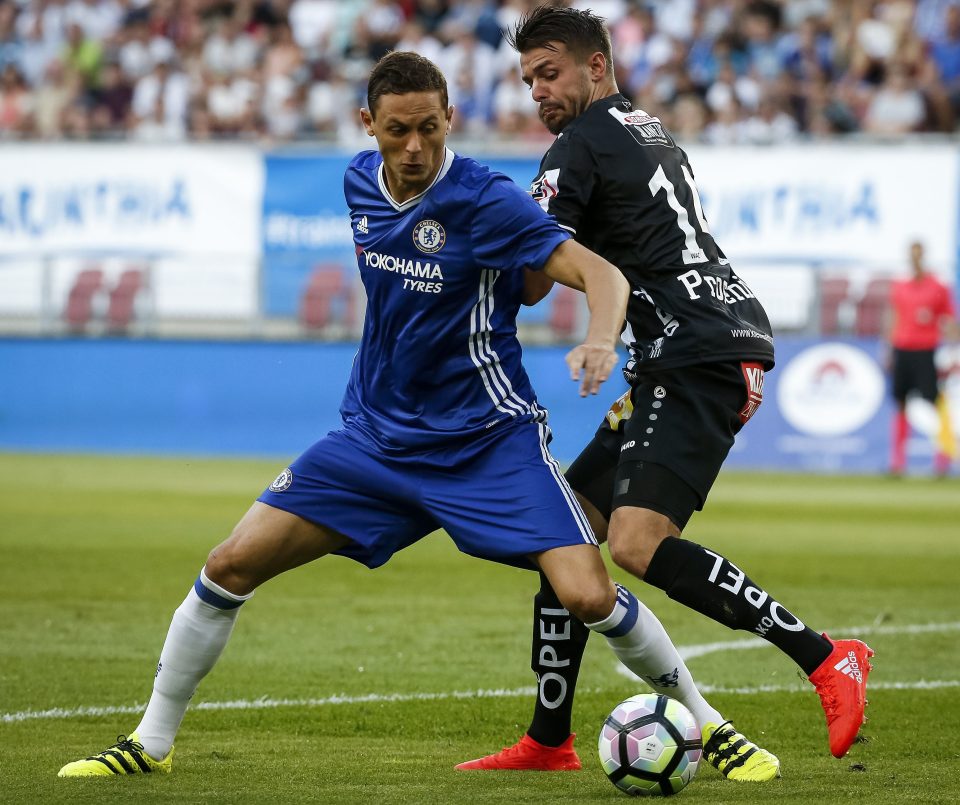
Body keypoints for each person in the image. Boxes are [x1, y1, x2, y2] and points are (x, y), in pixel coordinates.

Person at [58, 51, 773, 781]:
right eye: (396, 130)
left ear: (449, 119)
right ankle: (149, 743)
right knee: (229, 562)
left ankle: (710, 728)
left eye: (429, 129)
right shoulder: (356, 183)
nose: (413, 148)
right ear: (368, 123)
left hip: (487, 443)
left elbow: (602, 272)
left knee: (588, 591)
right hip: (375, 439)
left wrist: (597, 337)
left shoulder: (486, 200)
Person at [455, 5, 874, 773]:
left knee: (635, 543)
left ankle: (826, 656)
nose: (538, 92)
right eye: (527, 80)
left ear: (597, 66)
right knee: (565, 530)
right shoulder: (645, 127)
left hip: (693, 352)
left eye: (549, 73)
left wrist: (472, 235)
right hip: (707, 340)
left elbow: (528, 280)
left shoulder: (575, 145)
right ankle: (550, 739)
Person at [887, 240, 958, 476]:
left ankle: (943, 458)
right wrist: (888, 347)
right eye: (912, 255)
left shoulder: (937, 287)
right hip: (902, 348)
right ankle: (898, 463)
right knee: (901, 403)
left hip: (926, 350)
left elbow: (949, 319)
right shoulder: (901, 287)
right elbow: (894, 316)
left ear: (923, 256)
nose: (915, 259)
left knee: (935, 402)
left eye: (918, 254)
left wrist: (953, 348)